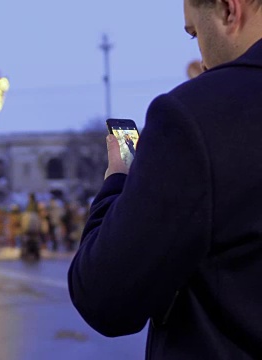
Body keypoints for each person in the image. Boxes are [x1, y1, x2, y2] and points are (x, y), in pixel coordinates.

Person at [68, 1, 262, 358]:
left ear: (229, 11)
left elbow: (104, 297)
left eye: (195, 33)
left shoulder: (197, 116)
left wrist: (117, 182)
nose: (201, 58)